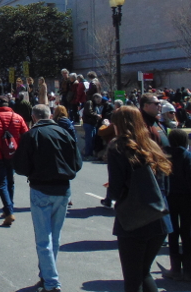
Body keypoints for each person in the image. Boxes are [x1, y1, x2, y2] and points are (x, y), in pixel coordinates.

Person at [14, 104, 82, 292]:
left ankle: (51, 281)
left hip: (41, 188)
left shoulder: (32, 136)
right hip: (63, 188)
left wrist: (34, 170)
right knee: (55, 235)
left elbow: (20, 166)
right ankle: (46, 274)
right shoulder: (65, 133)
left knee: (44, 239)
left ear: (34, 118)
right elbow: (77, 163)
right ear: (49, 115)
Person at [107, 106, 172, 292]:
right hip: (160, 216)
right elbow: (165, 183)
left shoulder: (118, 147)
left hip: (135, 218)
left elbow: (116, 191)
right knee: (144, 272)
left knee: (133, 278)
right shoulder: (151, 144)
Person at [0, 95, 29, 226]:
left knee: (1, 183)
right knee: (10, 181)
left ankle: (8, 211)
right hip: (13, 153)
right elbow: (26, 135)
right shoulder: (17, 117)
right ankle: (9, 207)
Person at [160, 129, 191, 281]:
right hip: (186, 198)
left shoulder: (164, 155)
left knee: (172, 232)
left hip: (170, 197)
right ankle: (188, 270)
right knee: (187, 233)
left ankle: (175, 268)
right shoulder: (187, 156)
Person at [82, 94, 105, 159]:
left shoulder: (96, 105)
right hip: (88, 123)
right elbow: (89, 111)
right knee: (89, 140)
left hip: (93, 124)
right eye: (98, 99)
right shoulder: (90, 103)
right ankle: (87, 154)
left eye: (100, 99)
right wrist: (96, 115)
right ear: (95, 98)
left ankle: (90, 154)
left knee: (92, 140)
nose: (99, 101)